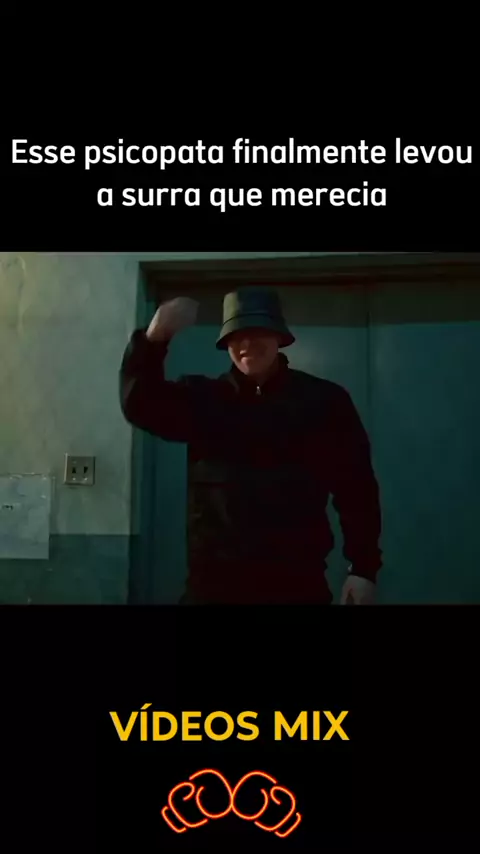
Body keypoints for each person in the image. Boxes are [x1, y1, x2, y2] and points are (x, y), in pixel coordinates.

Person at [120, 287, 382, 605]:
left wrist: (363, 568)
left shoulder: (324, 402)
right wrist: (154, 338)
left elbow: (357, 489)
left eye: (257, 331)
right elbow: (140, 404)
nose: (246, 344)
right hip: (213, 591)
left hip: (298, 587)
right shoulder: (202, 400)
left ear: (278, 336)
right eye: (236, 335)